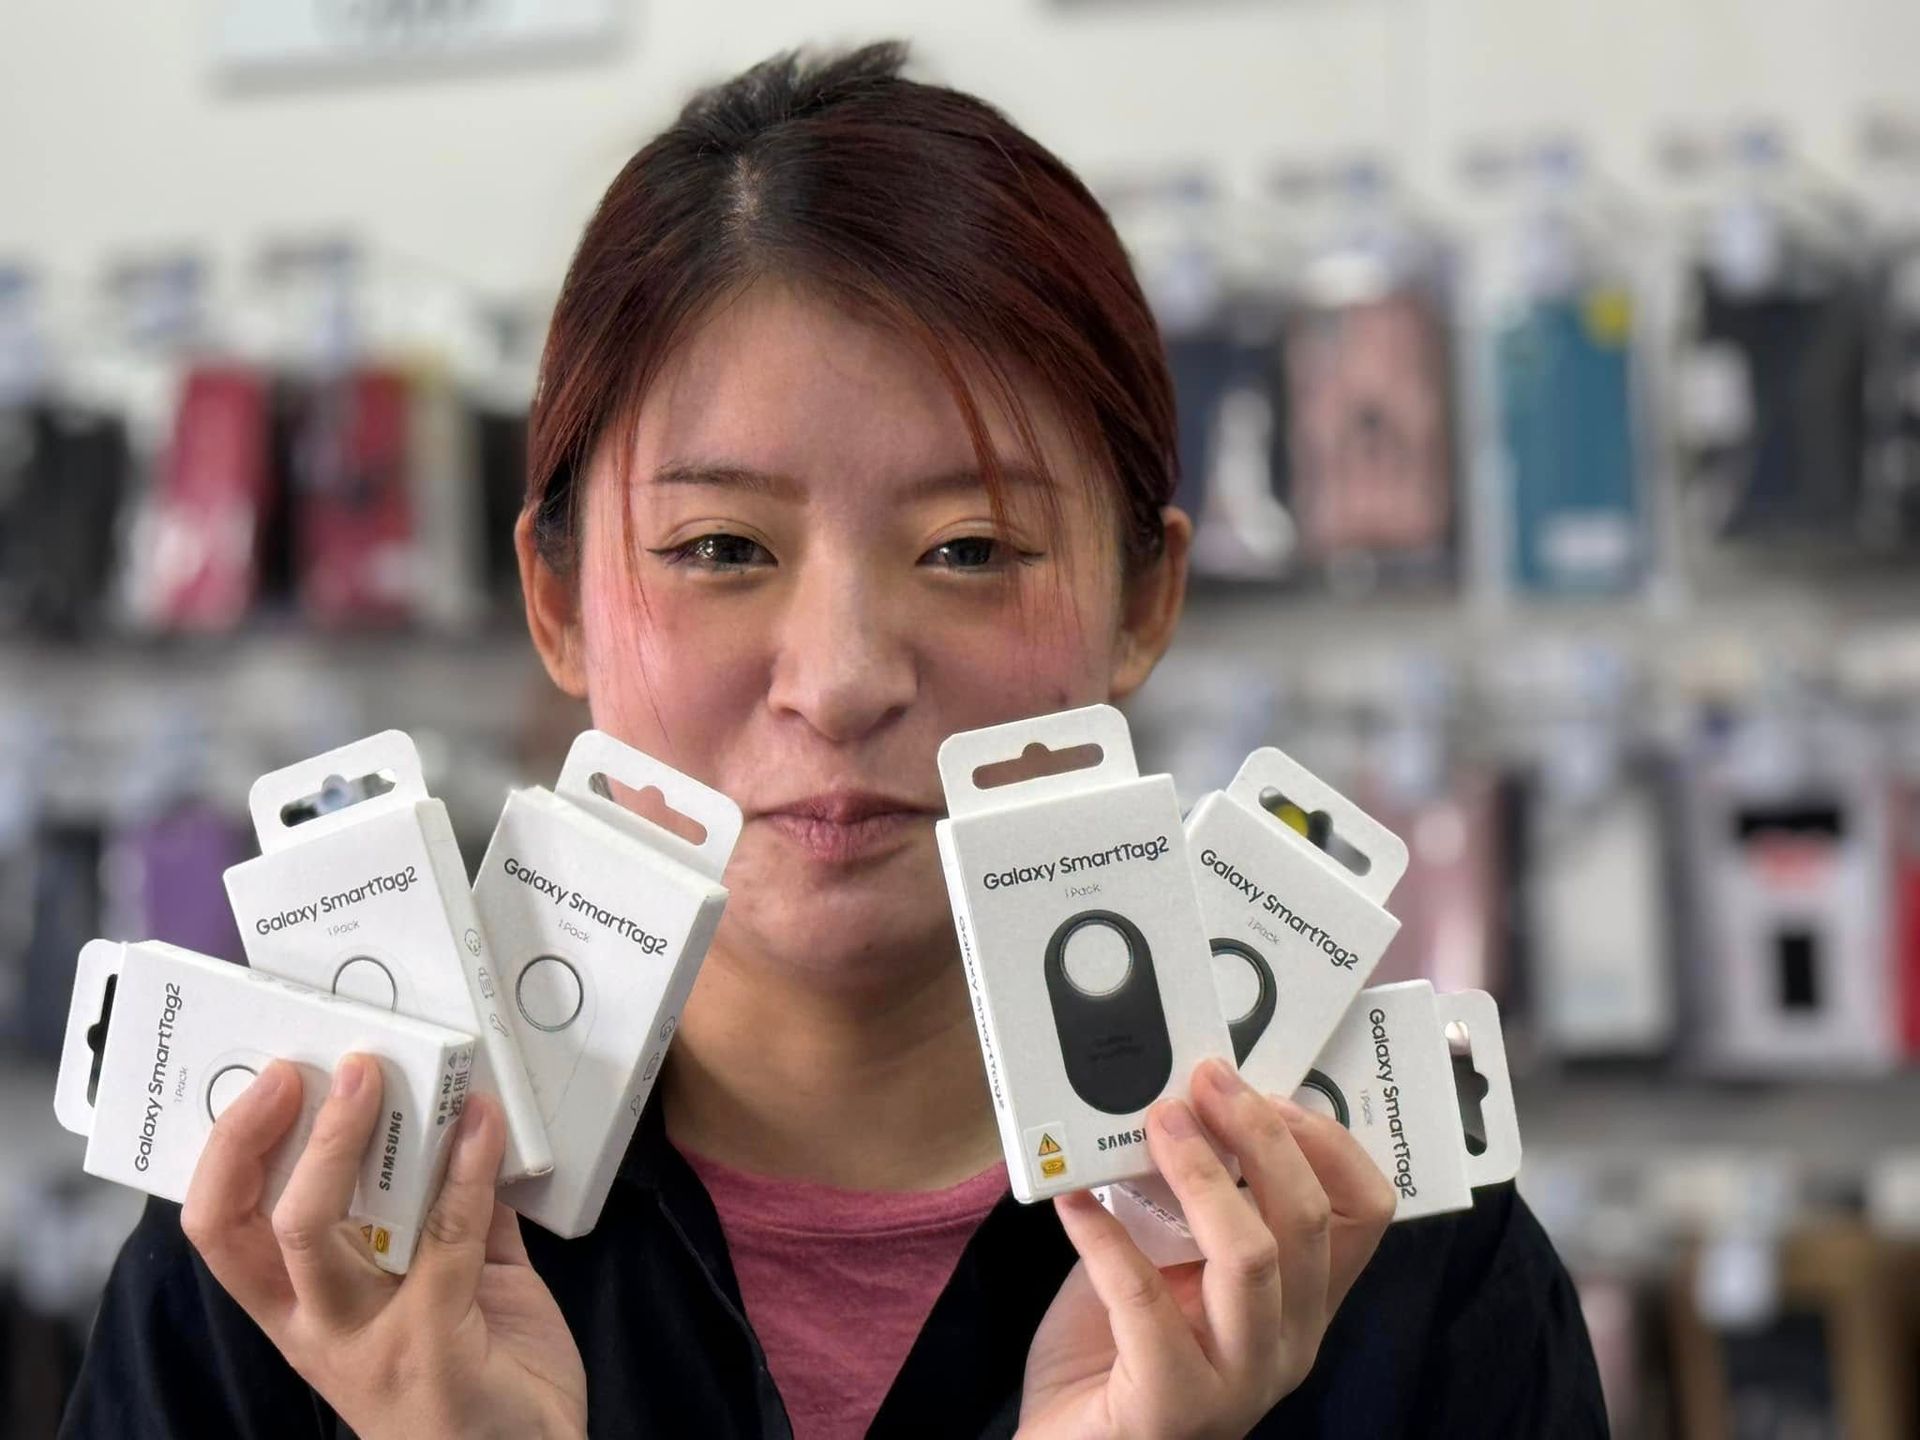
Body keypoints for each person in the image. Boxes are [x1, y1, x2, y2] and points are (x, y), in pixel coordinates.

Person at [60, 42, 1606, 1439]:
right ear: (558, 600)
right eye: (723, 549)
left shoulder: (1386, 1242)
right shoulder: (291, 1233)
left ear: (1148, 599)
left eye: (972, 547)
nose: (844, 677)